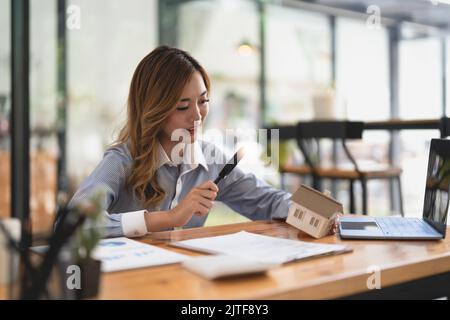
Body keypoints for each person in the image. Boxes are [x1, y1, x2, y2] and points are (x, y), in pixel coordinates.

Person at [69, 45, 337, 238]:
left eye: (203, 101)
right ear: (154, 109)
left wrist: (319, 212)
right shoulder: (122, 160)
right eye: (183, 106)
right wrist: (168, 218)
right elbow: (72, 223)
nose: (197, 115)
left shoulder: (212, 162)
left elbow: (266, 200)